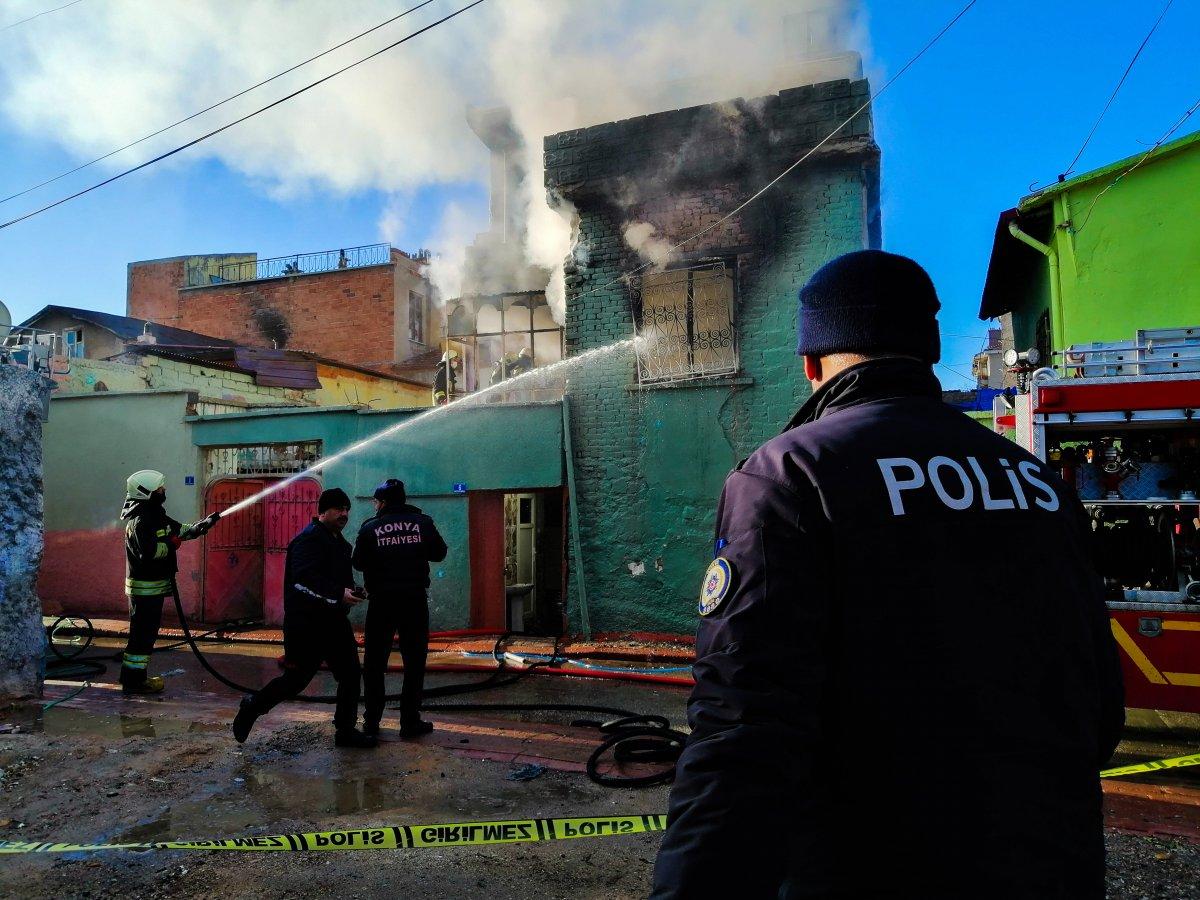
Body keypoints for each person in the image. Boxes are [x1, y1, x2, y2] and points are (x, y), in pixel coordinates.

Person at [651, 250, 1124, 899]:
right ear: (925, 350)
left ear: (810, 362)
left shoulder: (789, 476)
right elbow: (1101, 712)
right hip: (1053, 866)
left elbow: (743, 732)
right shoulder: (1037, 482)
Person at [231, 488, 376, 748]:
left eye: (346, 509)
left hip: (334, 623)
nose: (344, 514)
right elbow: (302, 581)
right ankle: (253, 706)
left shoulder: (339, 543)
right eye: (337, 509)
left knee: (351, 674)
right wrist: (336, 594)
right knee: (296, 681)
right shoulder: (309, 540)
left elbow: (337, 581)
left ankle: (345, 730)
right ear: (323, 512)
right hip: (306, 625)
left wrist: (353, 590)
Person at [353, 478, 447, 739]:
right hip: (414, 601)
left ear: (381, 502)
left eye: (375, 502)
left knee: (374, 664)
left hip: (381, 602)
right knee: (414, 663)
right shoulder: (423, 523)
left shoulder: (370, 527)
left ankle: (371, 722)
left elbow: (358, 562)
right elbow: (439, 553)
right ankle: (409, 722)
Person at [120, 470, 218, 694]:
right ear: (147, 493)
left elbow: (178, 529)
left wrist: (201, 526)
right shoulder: (139, 521)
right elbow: (149, 551)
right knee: (141, 636)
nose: (164, 492)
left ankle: (135, 679)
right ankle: (134, 682)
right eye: (160, 489)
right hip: (143, 590)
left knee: (147, 634)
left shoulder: (155, 514)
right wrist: (171, 544)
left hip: (153, 588)